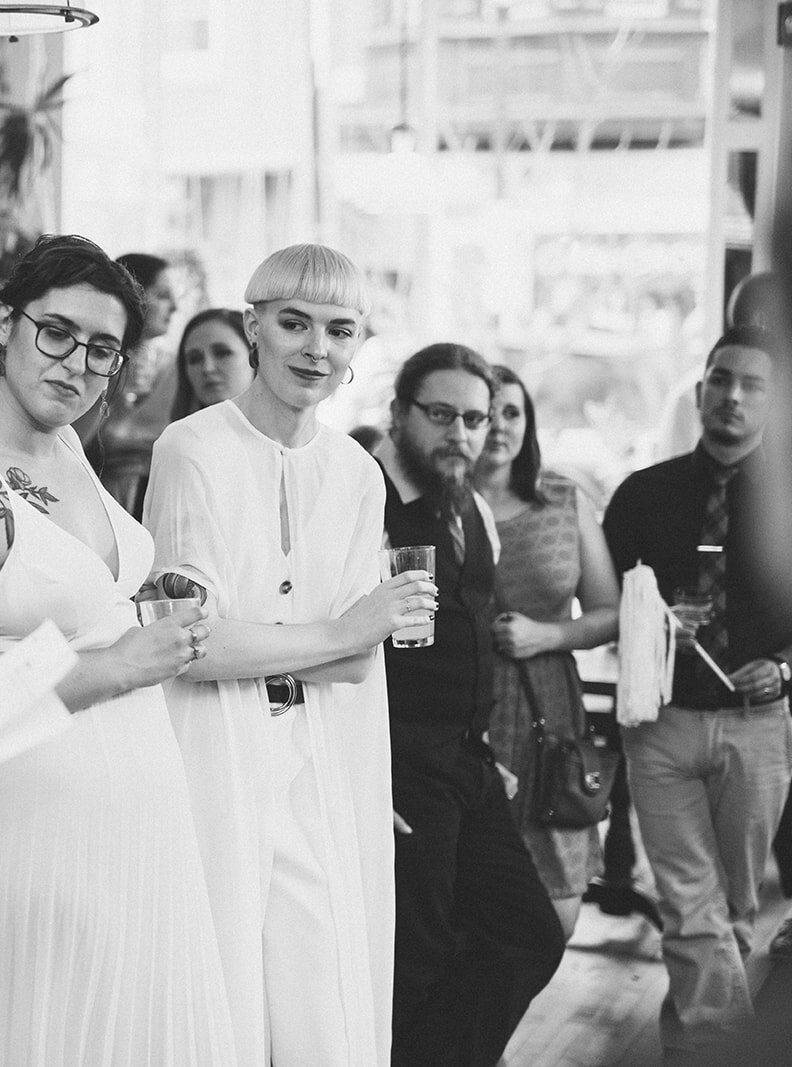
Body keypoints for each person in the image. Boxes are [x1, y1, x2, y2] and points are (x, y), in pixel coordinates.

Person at [0, 234, 238, 1065]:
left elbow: (74, 601)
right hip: (23, 839)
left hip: (138, 827)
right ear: (3, 325)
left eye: (102, 348)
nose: (77, 362)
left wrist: (152, 601)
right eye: (57, 332)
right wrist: (119, 665)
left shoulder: (69, 445)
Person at [142, 244, 436, 1065]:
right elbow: (189, 645)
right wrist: (347, 627)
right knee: (218, 992)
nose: (317, 348)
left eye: (340, 330)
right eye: (295, 323)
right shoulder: (189, 450)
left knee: (323, 1007)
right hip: (211, 747)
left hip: (323, 756)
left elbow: (349, 668)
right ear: (254, 327)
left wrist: (314, 641)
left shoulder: (356, 473)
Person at [371, 342, 564, 1067]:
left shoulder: (472, 503)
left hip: (468, 762)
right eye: (441, 414)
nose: (461, 433)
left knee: (528, 934)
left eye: (475, 418)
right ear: (399, 413)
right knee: (411, 959)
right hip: (398, 763)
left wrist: (483, 748)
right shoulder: (364, 496)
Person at [602, 325, 792, 1053]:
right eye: (720, 379)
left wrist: (781, 668)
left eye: (752, 384)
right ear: (700, 389)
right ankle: (719, 1049)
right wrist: (645, 619)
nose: (732, 396)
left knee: (734, 909)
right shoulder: (643, 493)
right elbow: (603, 601)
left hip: (759, 724)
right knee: (688, 904)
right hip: (660, 724)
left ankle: (694, 1042)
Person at [473, 365, 620, 941]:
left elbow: (609, 612)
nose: (499, 425)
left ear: (528, 422)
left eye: (512, 412)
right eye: (486, 412)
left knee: (554, 876)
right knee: (471, 877)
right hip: (468, 703)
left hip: (547, 706)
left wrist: (547, 635)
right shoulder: (437, 505)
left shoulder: (561, 497)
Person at [86, 252, 179, 517]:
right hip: (98, 503)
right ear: (132, 296)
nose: (174, 307)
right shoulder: (94, 363)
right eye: (162, 295)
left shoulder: (179, 367)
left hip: (161, 506)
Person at [167, 307, 253, 422]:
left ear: (256, 356)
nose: (207, 368)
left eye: (222, 353)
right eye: (194, 359)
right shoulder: (177, 437)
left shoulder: (282, 435)